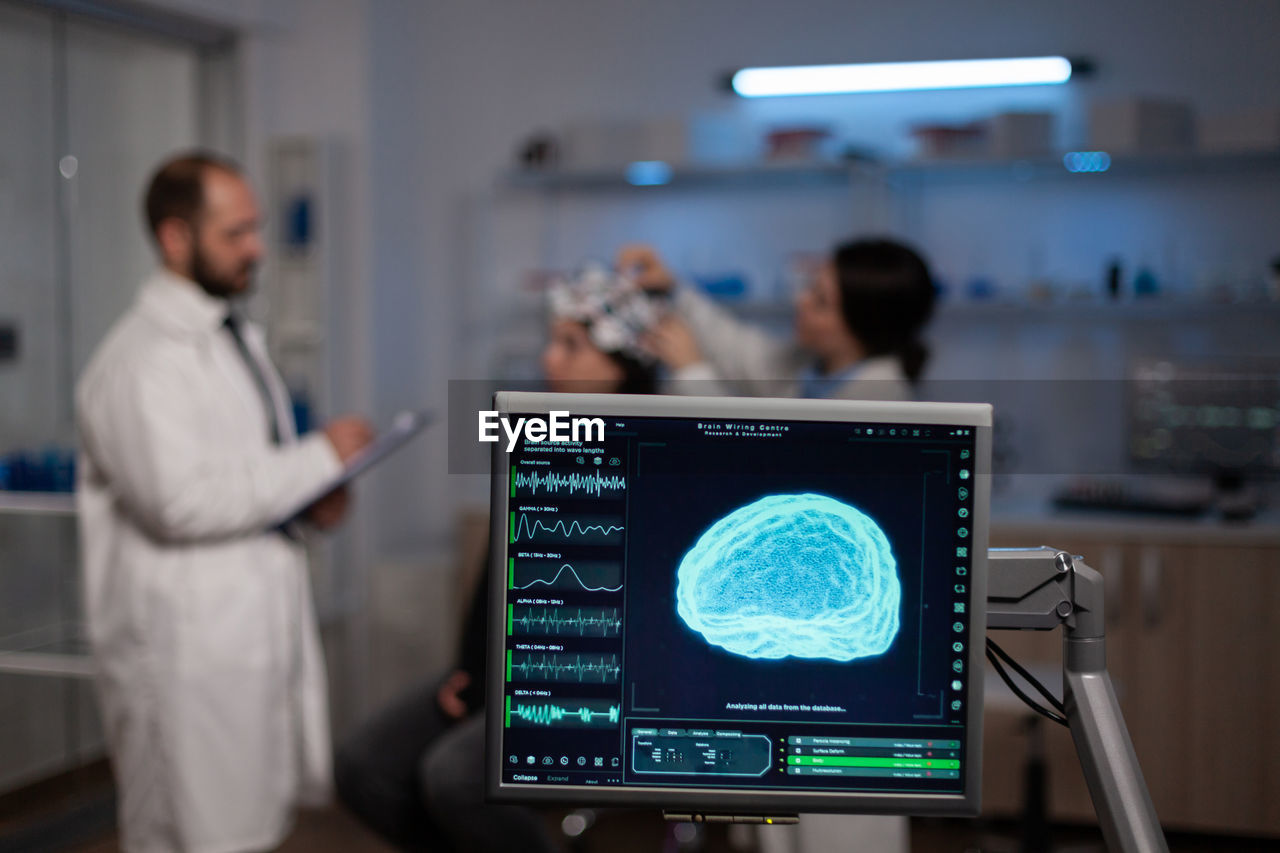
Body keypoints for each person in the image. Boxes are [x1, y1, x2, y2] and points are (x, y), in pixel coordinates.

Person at [76, 152, 374, 852]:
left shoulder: (230, 336)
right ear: (175, 237)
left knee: (247, 826)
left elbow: (246, 468)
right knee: (190, 832)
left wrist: (311, 499)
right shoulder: (139, 361)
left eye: (256, 229)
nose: (258, 249)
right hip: (184, 654)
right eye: (236, 233)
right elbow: (178, 503)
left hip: (244, 634)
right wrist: (317, 457)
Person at [334, 265, 659, 852]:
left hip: (593, 685)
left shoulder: (657, 457)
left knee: (453, 775)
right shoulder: (540, 436)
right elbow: (501, 574)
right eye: (550, 341)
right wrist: (475, 670)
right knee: (363, 765)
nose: (549, 360)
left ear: (622, 366)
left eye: (571, 346)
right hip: (506, 670)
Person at [620, 239, 936, 401]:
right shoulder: (814, 367)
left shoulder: (879, 401)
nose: (801, 300)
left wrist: (693, 373)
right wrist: (672, 289)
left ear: (864, 324)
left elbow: (764, 466)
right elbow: (740, 349)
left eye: (821, 301)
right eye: (812, 286)